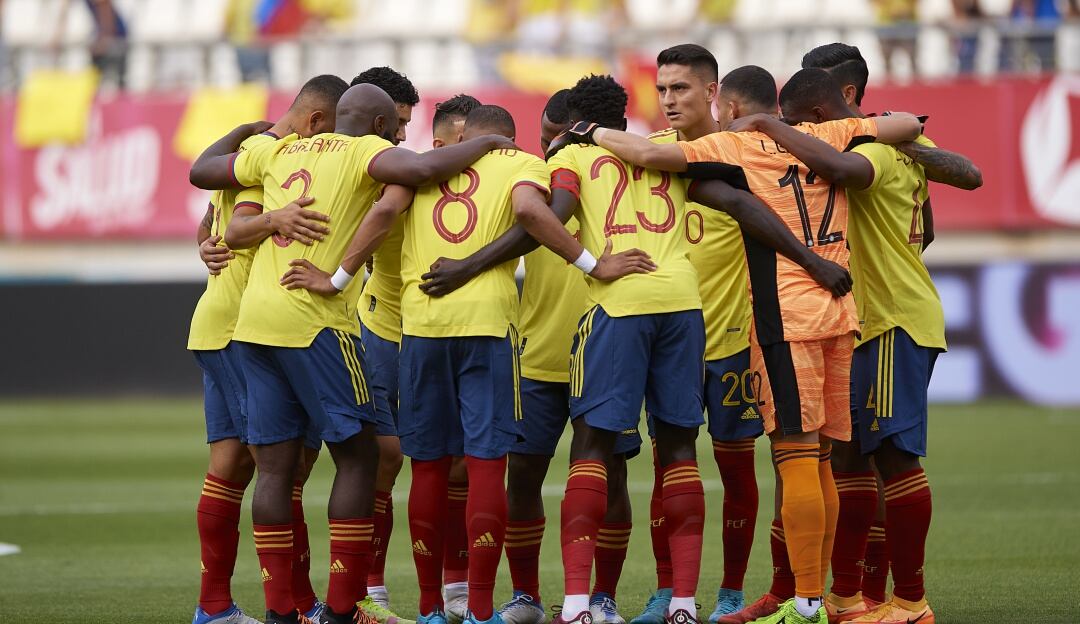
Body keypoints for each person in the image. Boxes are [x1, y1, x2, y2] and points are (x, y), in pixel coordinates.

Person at [574, 66, 922, 624]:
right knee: (823, 459)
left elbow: (650, 158)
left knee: (796, 456)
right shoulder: (833, 135)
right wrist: (784, 126)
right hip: (839, 308)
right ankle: (839, 598)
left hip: (785, 315)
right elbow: (908, 122)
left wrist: (589, 133)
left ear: (728, 105)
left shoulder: (732, 144)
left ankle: (805, 604)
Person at [188, 82, 515, 624]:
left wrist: (248, 136)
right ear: (383, 128)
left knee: (273, 467)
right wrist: (486, 144)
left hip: (253, 327)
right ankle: (344, 607)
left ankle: (280, 613)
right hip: (316, 324)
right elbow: (420, 172)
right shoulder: (364, 151)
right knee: (363, 455)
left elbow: (204, 172)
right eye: (397, 131)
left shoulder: (278, 150)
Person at [419, 88, 643, 624]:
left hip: (606, 343)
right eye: (540, 140)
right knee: (522, 474)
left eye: (550, 138)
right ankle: (525, 594)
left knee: (608, 474)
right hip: (538, 350)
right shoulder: (530, 176)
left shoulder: (630, 170)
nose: (545, 149)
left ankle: (603, 596)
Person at [799, 42, 981, 624]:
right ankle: (854, 595)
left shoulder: (870, 149)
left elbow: (969, 175)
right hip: (869, 319)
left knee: (895, 458)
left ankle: (911, 600)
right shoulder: (899, 144)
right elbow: (928, 224)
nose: (807, 114)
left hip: (890, 319)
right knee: (854, 461)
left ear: (847, 96)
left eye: (816, 97)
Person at [186, 74, 348, 624]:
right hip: (241, 326)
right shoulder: (273, 152)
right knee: (278, 466)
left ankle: (222, 606)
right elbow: (235, 225)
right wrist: (268, 221)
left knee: (239, 465)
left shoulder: (251, 149)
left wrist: (205, 246)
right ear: (317, 121)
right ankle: (293, 604)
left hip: (228, 320)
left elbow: (209, 221)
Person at [629, 45, 763, 624]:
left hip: (731, 340)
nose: (667, 100)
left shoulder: (744, 156)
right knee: (669, 471)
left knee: (736, 468)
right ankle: (667, 591)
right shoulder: (650, 154)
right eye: (662, 90)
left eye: (680, 89)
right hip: (668, 350)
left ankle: (732, 590)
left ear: (713, 92)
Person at [347, 66, 427, 624]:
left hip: (425, 329)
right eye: (396, 125)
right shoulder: (342, 163)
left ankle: (450, 591)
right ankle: (367, 589)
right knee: (382, 458)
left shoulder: (408, 165)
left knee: (444, 465)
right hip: (369, 326)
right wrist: (208, 241)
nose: (402, 137)